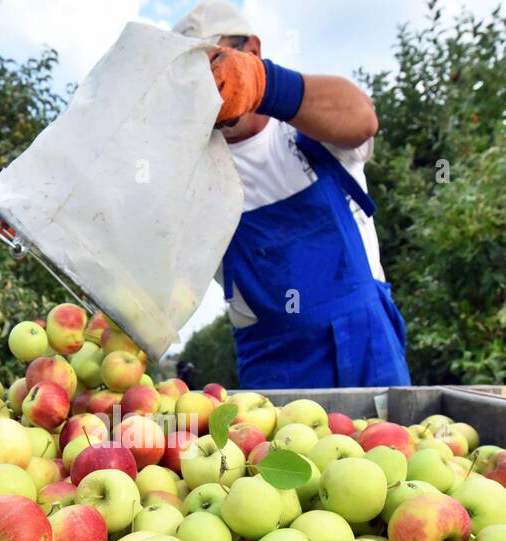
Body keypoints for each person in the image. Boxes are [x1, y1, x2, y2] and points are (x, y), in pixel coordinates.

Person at [173, 1, 410, 390]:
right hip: (275, 371)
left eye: (214, 66)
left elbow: (362, 117)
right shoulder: (194, 179)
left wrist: (265, 85)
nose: (208, 88)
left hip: (371, 353)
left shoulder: (307, 132)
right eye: (191, 79)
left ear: (252, 52)